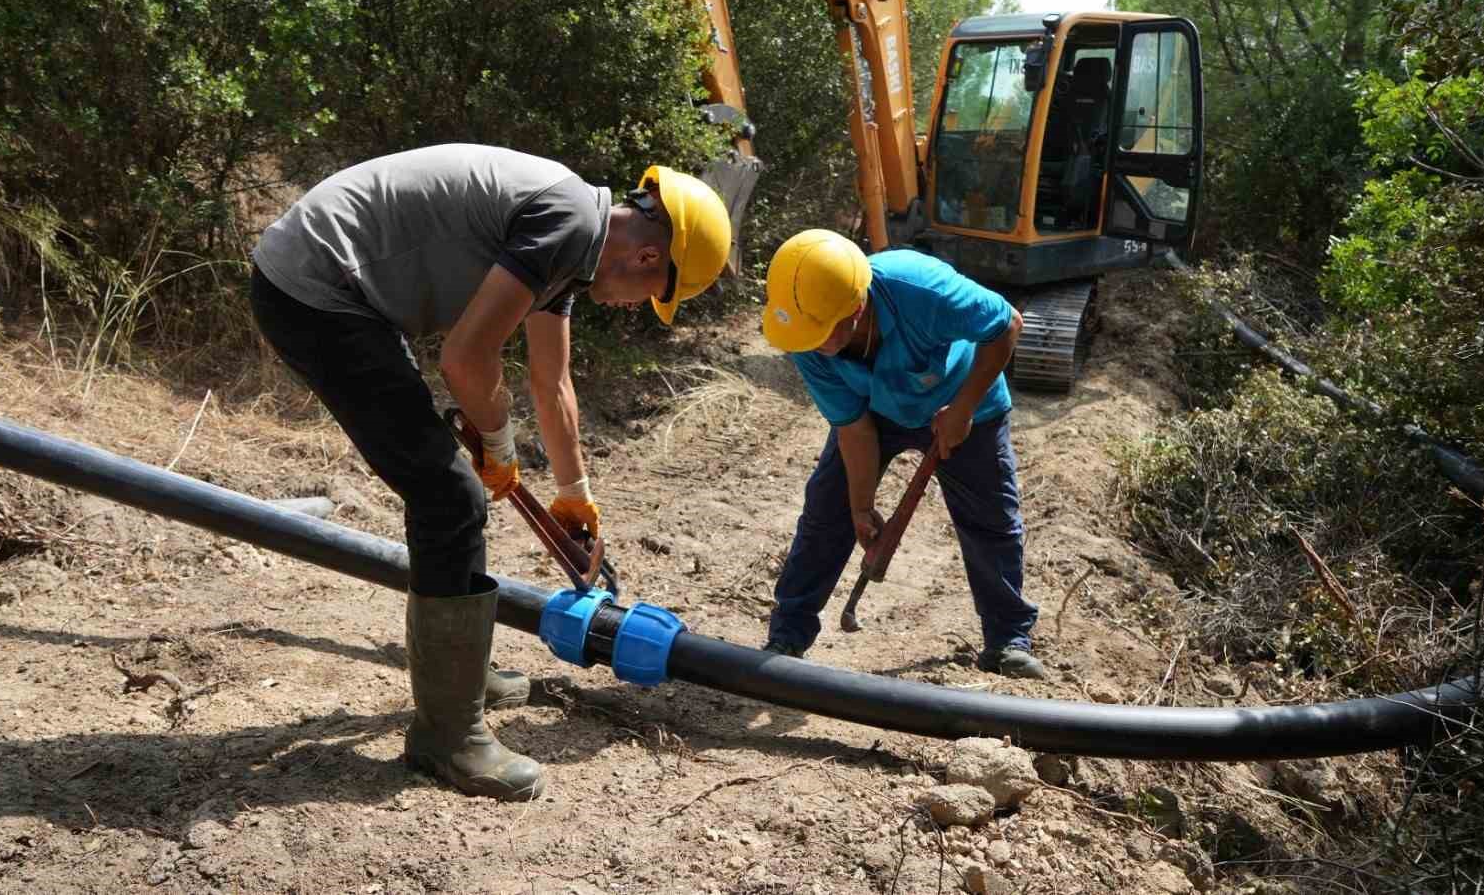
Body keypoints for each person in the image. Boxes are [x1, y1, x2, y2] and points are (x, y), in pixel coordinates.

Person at [248, 144, 731, 800]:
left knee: (454, 492)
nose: (635, 307)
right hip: (314, 289)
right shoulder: (565, 225)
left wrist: (574, 497)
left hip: (346, 291)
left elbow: (551, 381)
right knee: (450, 497)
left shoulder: (574, 241)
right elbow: (464, 358)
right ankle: (448, 736)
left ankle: (461, 679)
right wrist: (496, 445)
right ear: (651, 258)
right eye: (655, 294)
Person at [758, 229, 1046, 680]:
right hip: (876, 407)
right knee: (825, 514)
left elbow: (1007, 324)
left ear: (856, 309)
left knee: (990, 520)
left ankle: (1008, 640)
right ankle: (788, 636)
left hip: (966, 399)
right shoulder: (803, 333)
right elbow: (853, 428)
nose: (812, 344)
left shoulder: (921, 289)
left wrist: (964, 408)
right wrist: (860, 507)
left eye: (822, 332)